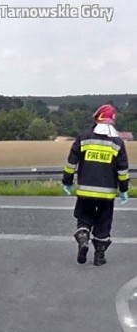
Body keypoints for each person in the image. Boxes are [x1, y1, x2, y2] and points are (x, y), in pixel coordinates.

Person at [62, 104, 130, 266]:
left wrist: (67, 181)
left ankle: (83, 237)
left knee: (84, 218)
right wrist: (124, 189)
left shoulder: (84, 138)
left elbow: (71, 163)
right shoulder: (118, 143)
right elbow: (122, 170)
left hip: (85, 191)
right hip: (107, 194)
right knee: (103, 222)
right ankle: (99, 256)